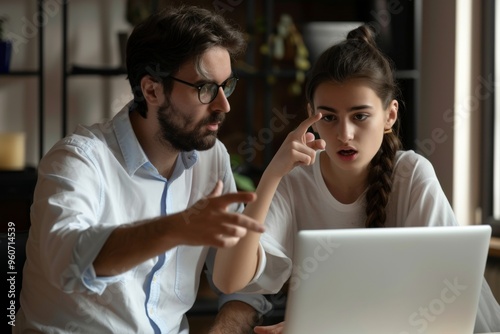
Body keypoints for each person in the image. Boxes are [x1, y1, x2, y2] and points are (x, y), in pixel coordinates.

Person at [213, 24, 500, 333]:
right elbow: (229, 279)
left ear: (389, 116)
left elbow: (440, 309)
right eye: (329, 117)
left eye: (360, 116)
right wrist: (272, 174)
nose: (344, 134)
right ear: (311, 114)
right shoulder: (294, 182)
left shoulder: (413, 175)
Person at [14, 5, 272, 334]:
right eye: (205, 88)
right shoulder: (78, 159)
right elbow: (68, 264)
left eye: (227, 86)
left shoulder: (211, 157)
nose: (224, 105)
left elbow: (243, 280)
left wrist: (224, 329)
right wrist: (177, 227)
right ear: (152, 90)